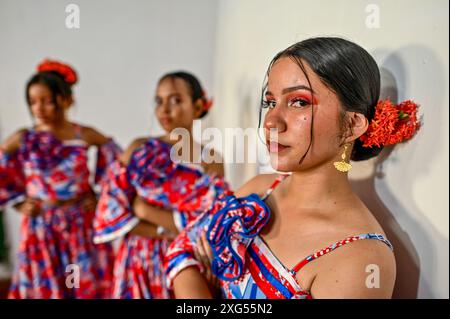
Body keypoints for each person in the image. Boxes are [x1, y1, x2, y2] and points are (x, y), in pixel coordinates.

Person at [164, 37, 420, 299]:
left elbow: (189, 261)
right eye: (270, 102)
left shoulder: (360, 259)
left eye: (299, 102)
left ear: (353, 124)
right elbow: (180, 251)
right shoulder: (262, 188)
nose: (271, 122)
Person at [93, 71, 229, 298]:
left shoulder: (210, 159)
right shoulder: (138, 150)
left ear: (197, 107)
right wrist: (166, 228)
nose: (164, 110)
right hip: (138, 258)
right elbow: (109, 210)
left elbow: (210, 224)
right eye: (159, 101)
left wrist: (144, 210)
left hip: (185, 261)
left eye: (176, 100)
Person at [0, 59, 122, 298]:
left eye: (47, 101)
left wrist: (100, 196)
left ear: (66, 100)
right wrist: (16, 202)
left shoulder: (83, 135)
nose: (39, 108)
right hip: (41, 226)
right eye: (33, 102)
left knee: (82, 285)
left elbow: (119, 161)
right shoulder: (24, 138)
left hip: (80, 224)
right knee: (45, 285)